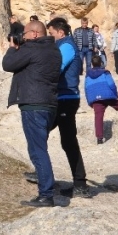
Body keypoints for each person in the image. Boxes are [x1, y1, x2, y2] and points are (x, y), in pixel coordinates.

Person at [2, 20, 61, 207]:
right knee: (40, 148)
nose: (24, 37)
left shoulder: (32, 49)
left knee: (37, 151)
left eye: (26, 34)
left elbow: (8, 64)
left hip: (34, 105)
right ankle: (47, 189)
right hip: (50, 104)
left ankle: (46, 195)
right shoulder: (53, 50)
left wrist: (13, 48)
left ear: (35, 34)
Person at [46, 18, 93, 199]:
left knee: (68, 141)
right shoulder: (64, 44)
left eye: (52, 34)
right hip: (62, 97)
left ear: (60, 32)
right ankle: (44, 173)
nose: (52, 38)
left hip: (66, 98)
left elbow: (56, 68)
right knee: (42, 131)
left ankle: (80, 184)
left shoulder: (66, 46)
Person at [84, 55, 118, 144]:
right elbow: (111, 85)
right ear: (101, 63)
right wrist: (115, 95)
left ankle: (99, 138)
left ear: (92, 64)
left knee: (98, 117)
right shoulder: (105, 73)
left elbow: (86, 89)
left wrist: (90, 101)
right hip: (107, 96)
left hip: (95, 99)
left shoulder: (87, 75)